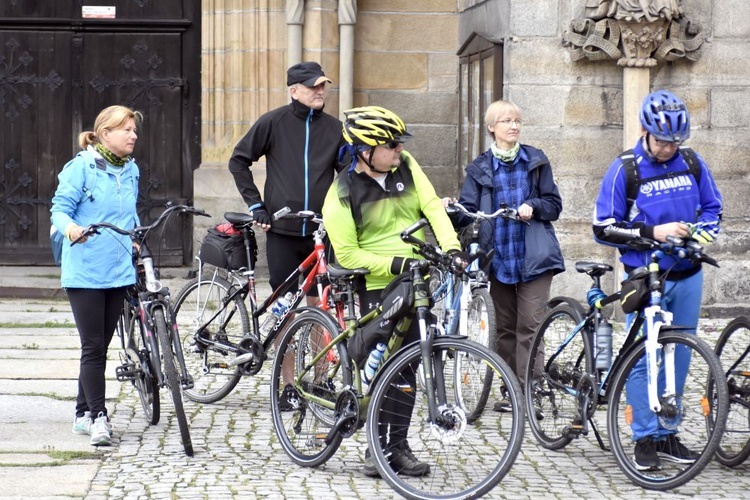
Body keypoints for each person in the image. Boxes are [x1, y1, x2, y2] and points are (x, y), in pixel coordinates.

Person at [322, 105, 466, 478]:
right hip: (375, 284)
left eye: (400, 144)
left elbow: (433, 207)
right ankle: (378, 447)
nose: (399, 150)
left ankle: (395, 445)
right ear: (365, 150)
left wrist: (451, 247)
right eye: (392, 145)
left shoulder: (406, 166)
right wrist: (394, 265)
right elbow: (350, 253)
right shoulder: (341, 192)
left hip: (416, 278)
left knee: (407, 365)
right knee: (384, 363)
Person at [592, 89, 723, 471]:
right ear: (646, 132)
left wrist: (702, 232)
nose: (669, 148)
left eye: (675, 142)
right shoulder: (625, 168)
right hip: (645, 275)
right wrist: (655, 230)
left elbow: (713, 208)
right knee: (644, 356)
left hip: (687, 272)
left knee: (680, 354)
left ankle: (669, 430)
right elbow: (603, 227)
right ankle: (644, 437)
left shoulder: (693, 163)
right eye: (663, 141)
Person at [228, 61, 345, 409]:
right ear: (294, 90)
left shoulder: (336, 129)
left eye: (323, 86)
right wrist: (256, 206)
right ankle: (289, 386)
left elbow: (349, 175)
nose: (320, 92)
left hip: (321, 235)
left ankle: (320, 380)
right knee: (286, 312)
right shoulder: (274, 122)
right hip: (282, 232)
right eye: (312, 87)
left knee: (320, 308)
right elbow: (238, 160)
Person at [452, 100, 564, 418]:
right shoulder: (479, 168)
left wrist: (534, 205)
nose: (513, 126)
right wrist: (453, 209)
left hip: (533, 257)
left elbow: (553, 204)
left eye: (517, 120)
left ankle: (531, 390)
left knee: (530, 323)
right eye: (506, 121)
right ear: (492, 128)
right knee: (503, 329)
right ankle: (509, 390)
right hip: (497, 256)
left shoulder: (536, 161)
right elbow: (469, 210)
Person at [50, 105, 142, 447]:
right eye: (127, 130)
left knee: (100, 345)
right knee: (93, 347)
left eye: (134, 130)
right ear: (105, 134)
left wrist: (134, 241)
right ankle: (99, 418)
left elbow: (131, 211)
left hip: (119, 271)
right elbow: (59, 209)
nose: (133, 136)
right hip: (86, 271)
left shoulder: (131, 170)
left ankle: (80, 413)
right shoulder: (81, 167)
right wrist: (72, 229)